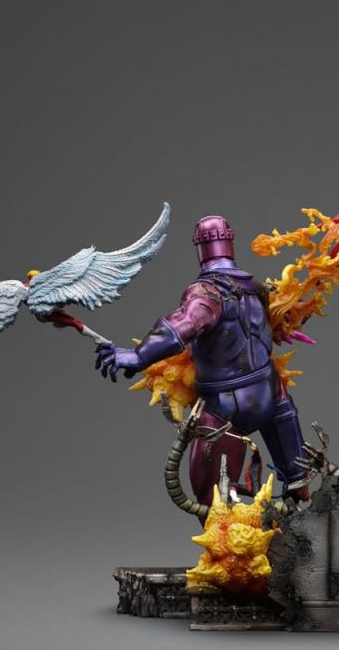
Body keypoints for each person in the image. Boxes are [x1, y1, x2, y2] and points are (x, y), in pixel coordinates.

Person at [95, 214, 310, 506]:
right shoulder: (255, 288)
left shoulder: (207, 292)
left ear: (200, 249)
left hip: (227, 405)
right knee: (298, 483)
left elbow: (183, 325)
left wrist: (137, 355)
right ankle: (294, 490)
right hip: (272, 394)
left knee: (212, 503)